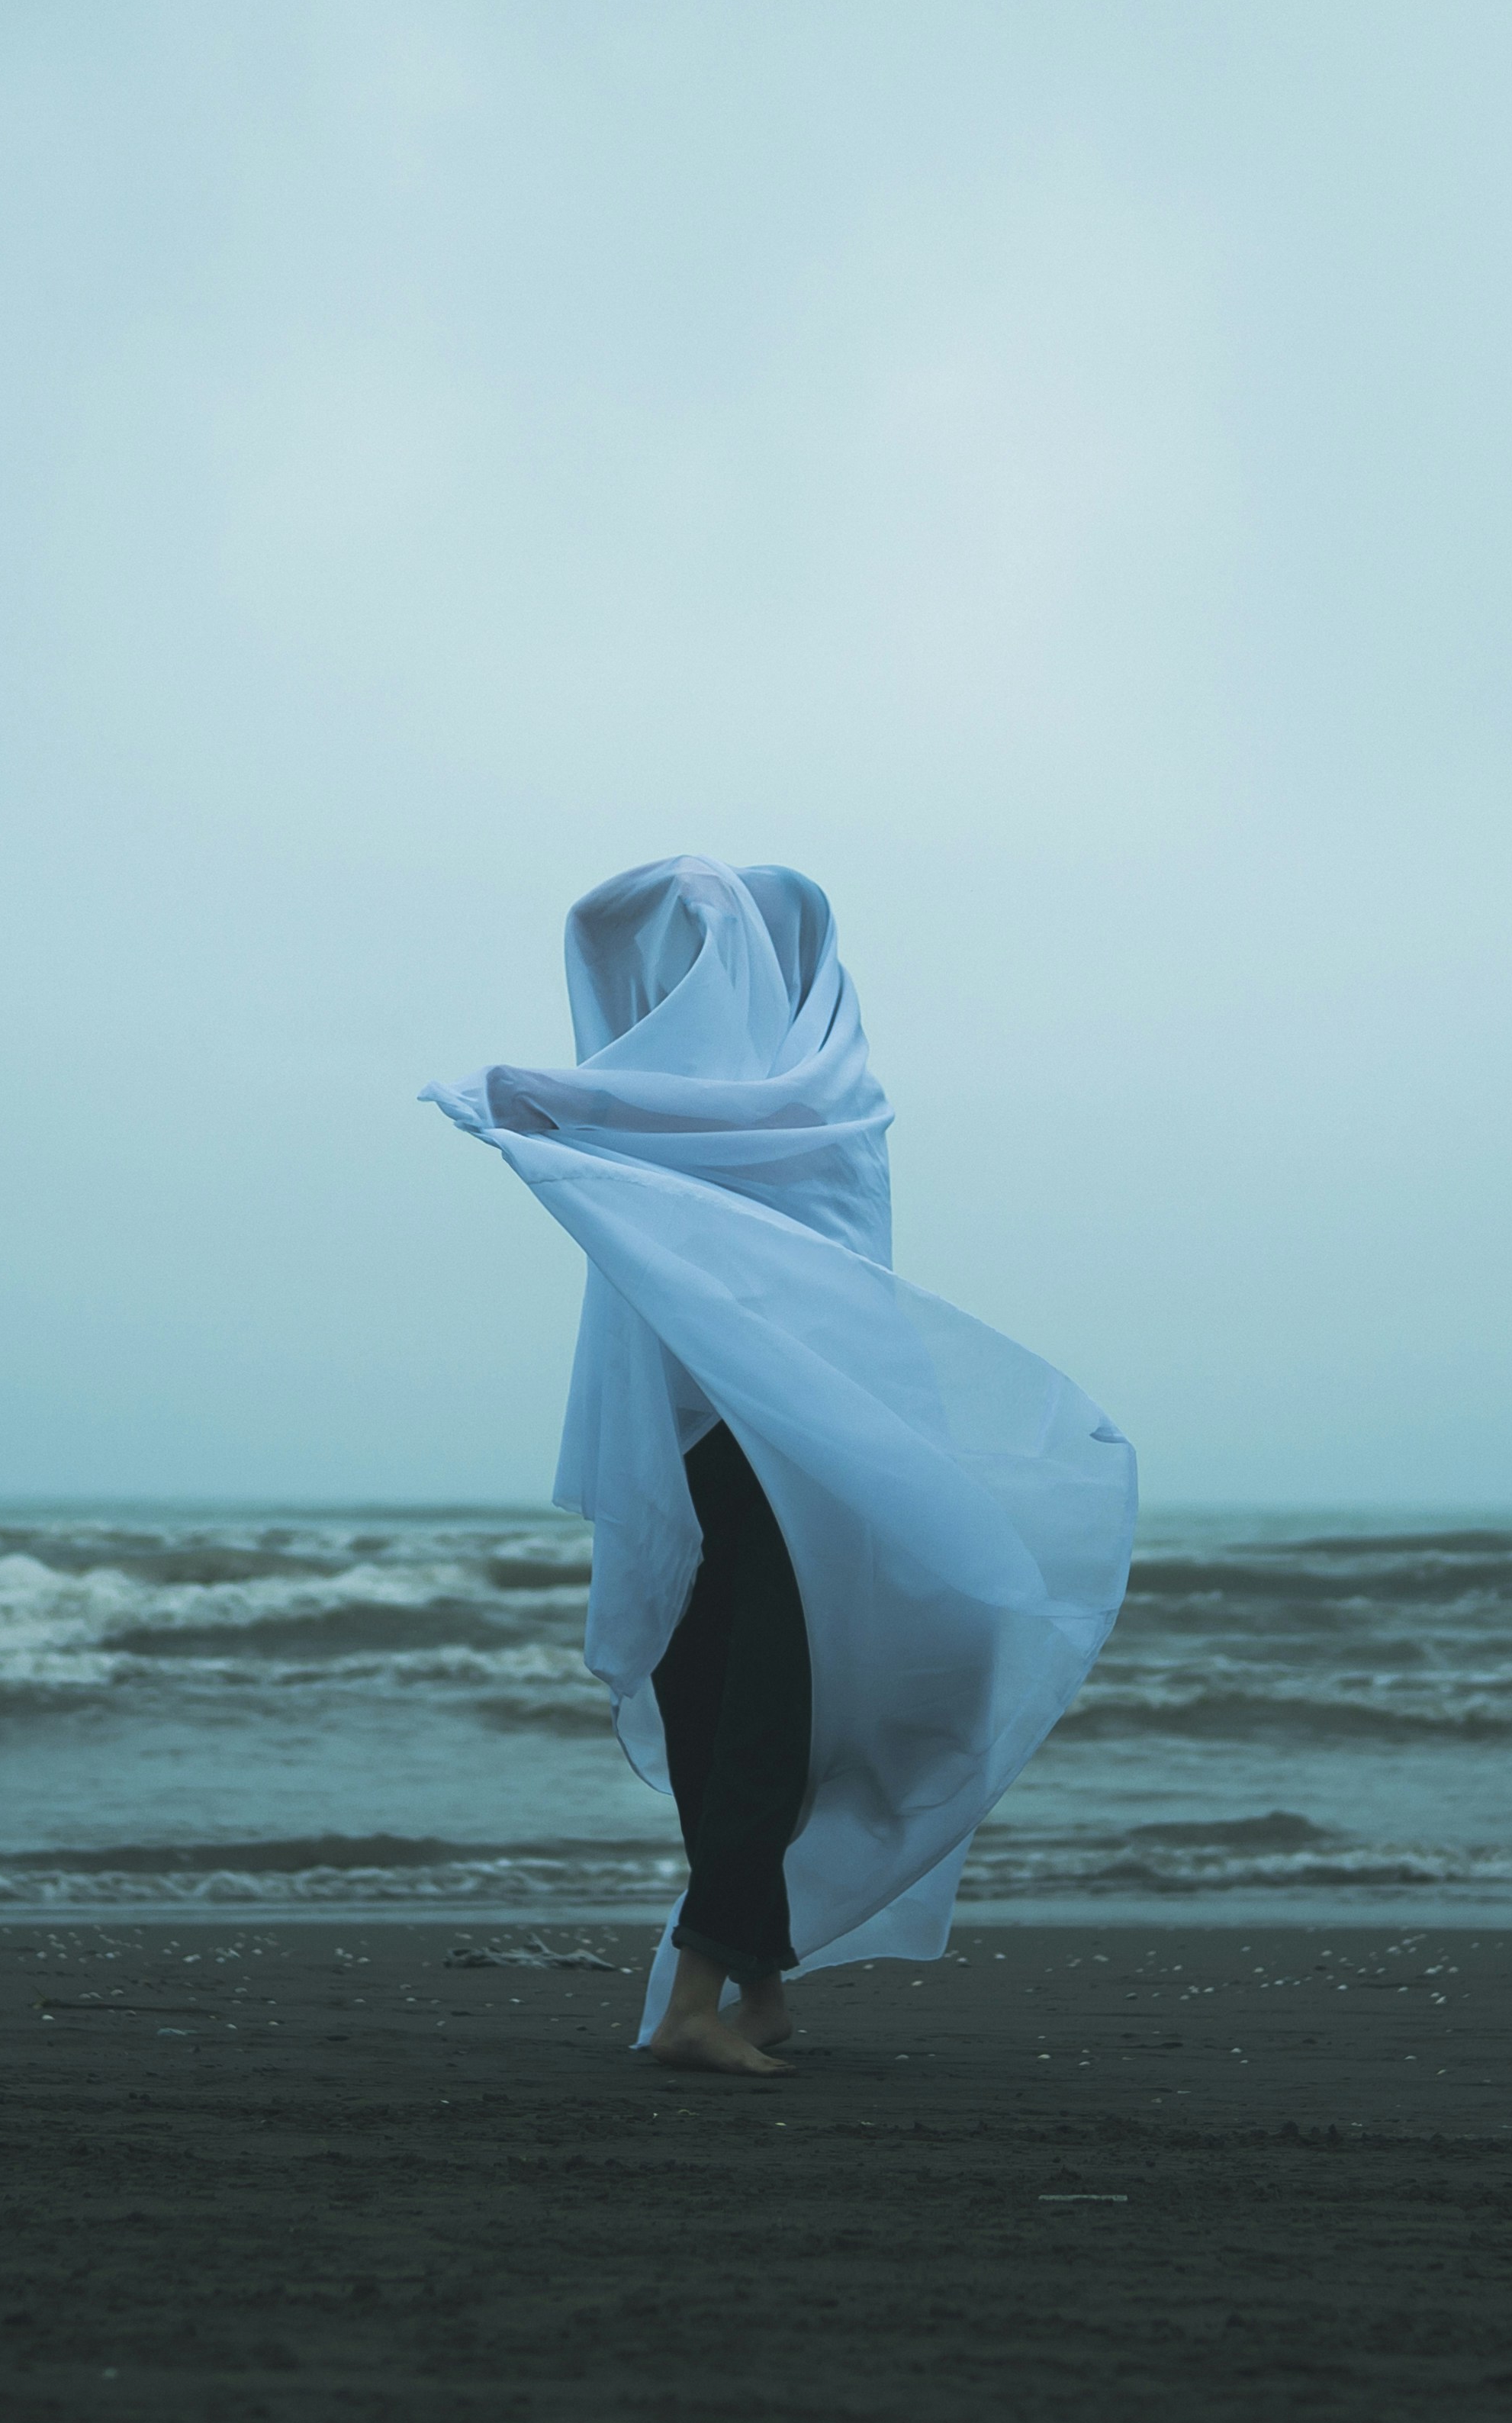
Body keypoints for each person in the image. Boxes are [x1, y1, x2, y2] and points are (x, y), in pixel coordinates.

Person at [423, 858, 1136, 2074]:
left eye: (739, 952)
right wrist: (687, 898)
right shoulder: (700, 1108)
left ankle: (698, 1992)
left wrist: (530, 1093)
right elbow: (604, 929)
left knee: (767, 1709)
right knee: (704, 1702)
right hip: (700, 1437)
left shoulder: (825, 1104)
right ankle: (757, 1984)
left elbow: (732, 1179)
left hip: (810, 1456)